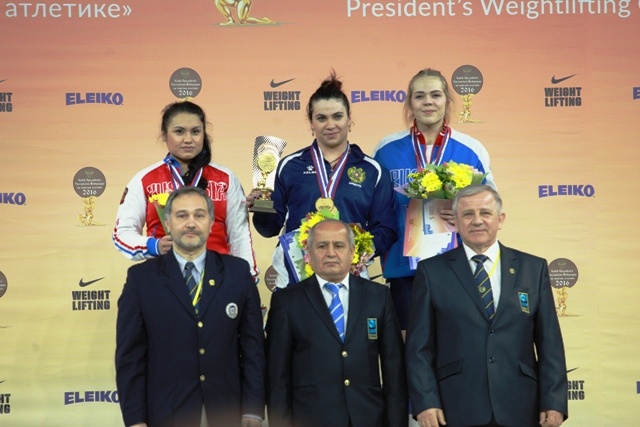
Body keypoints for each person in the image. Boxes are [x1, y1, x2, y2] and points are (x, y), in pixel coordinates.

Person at [405, 185, 568, 427]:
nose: (477, 221)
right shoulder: (431, 272)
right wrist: (425, 402)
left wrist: (554, 401)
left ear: (500, 219)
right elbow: (419, 348)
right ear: (455, 222)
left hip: (521, 405)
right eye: (467, 214)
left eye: (485, 213)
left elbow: (550, 343)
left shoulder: (533, 268)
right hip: (455, 406)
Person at [115, 186, 265, 427]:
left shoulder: (237, 273)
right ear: (168, 223)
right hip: (165, 412)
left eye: (199, 215)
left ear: (211, 223)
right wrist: (135, 420)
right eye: (182, 215)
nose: (191, 223)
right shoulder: (141, 280)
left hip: (227, 411)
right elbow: (130, 357)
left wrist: (254, 409)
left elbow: (253, 348)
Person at [372, 68, 496, 333]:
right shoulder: (386, 149)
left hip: (458, 270)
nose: (428, 102)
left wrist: (464, 213)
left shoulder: (471, 149)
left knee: (456, 346)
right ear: (410, 103)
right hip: (404, 270)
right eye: (419, 96)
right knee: (409, 348)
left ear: (447, 101)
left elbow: (491, 207)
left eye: (435, 95)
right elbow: (375, 208)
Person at [248, 71, 397, 288]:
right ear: (311, 123)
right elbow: (269, 229)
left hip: (351, 276)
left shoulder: (372, 170)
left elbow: (386, 228)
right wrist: (261, 207)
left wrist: (363, 250)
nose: (330, 125)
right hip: (295, 279)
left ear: (349, 119)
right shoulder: (289, 166)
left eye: (337, 116)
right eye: (321, 118)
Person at [265, 218, 407, 427]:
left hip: (369, 418)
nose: (331, 253)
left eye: (339, 245)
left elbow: (394, 371)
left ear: (352, 252)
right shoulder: (287, 302)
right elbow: (278, 378)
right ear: (308, 253)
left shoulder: (378, 296)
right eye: (322, 246)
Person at [113, 100, 259, 277]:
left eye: (195, 131)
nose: (188, 139)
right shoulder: (145, 180)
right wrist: (154, 246)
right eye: (179, 131)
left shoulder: (225, 178)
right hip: (163, 278)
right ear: (164, 135)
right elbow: (122, 233)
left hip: (218, 279)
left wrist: (248, 277)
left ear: (204, 134)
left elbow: (239, 235)